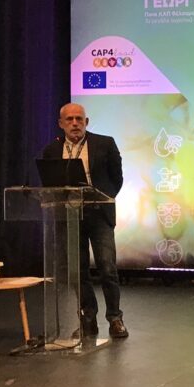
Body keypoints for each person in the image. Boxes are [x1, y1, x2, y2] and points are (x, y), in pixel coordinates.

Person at [41, 103, 127, 338]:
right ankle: (88, 318)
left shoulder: (105, 144)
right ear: (61, 124)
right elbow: (50, 184)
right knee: (77, 272)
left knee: (107, 268)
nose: (75, 123)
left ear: (86, 122)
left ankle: (115, 318)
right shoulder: (51, 150)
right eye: (69, 119)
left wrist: (102, 199)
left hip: (99, 215)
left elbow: (117, 179)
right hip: (68, 217)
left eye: (79, 119)